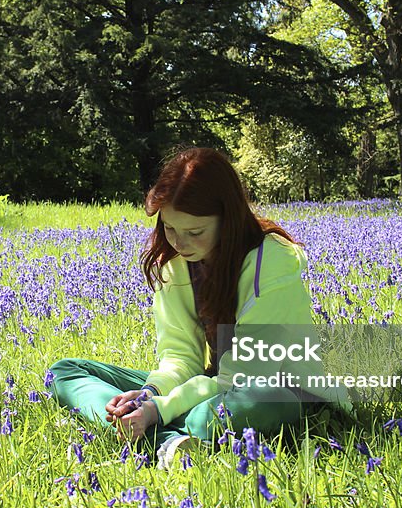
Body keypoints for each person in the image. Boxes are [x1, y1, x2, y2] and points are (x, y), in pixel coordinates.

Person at [47, 147, 350, 467]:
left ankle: (149, 433)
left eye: (194, 232)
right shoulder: (175, 264)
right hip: (212, 386)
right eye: (170, 227)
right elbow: (180, 357)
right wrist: (149, 394)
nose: (179, 242)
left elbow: (245, 377)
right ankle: (167, 440)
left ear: (228, 220)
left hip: (279, 391)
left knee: (258, 400)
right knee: (64, 371)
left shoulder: (272, 263)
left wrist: (161, 409)